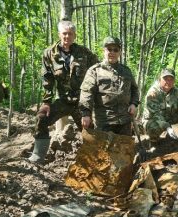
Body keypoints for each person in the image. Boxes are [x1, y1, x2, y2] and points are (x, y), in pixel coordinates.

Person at [29, 20, 99, 164]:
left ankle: (94, 160)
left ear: (74, 36)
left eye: (70, 34)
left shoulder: (84, 53)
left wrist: (96, 99)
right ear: (59, 34)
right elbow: (47, 79)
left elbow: (97, 71)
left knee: (91, 130)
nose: (67, 37)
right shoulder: (49, 53)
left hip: (82, 102)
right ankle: (38, 156)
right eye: (64, 34)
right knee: (41, 118)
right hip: (63, 101)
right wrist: (46, 102)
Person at [79, 36, 139, 136]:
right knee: (103, 151)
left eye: (115, 50)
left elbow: (134, 89)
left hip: (124, 121)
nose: (112, 52)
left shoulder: (126, 71)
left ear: (120, 52)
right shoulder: (95, 71)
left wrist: (134, 103)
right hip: (104, 121)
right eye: (109, 49)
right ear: (104, 51)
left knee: (124, 150)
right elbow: (86, 93)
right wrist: (86, 114)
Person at [142, 68, 178, 142]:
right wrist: (167, 127)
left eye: (171, 79)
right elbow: (155, 114)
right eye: (166, 79)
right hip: (154, 120)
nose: (168, 82)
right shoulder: (153, 93)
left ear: (174, 81)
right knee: (154, 128)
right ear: (160, 79)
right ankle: (154, 141)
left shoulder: (176, 91)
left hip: (169, 117)